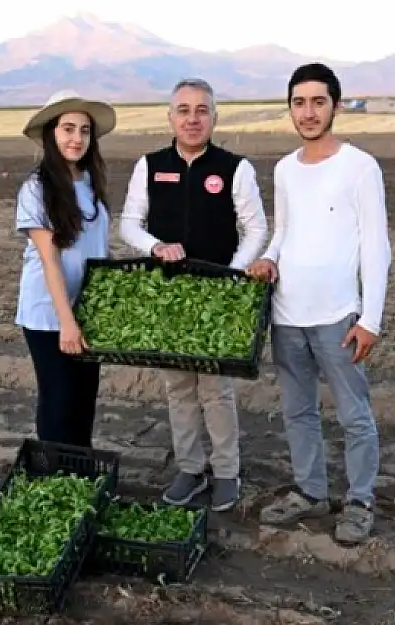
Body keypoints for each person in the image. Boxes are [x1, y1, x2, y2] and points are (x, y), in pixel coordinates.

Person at [246, 63, 392, 544]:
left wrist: (369, 319)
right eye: (298, 102)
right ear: (289, 107)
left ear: (336, 105)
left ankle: (360, 500)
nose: (307, 112)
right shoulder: (285, 169)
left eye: (317, 102)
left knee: (354, 415)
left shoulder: (360, 166)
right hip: (287, 317)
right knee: (299, 412)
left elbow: (376, 246)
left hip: (337, 318)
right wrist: (267, 258)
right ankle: (311, 493)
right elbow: (284, 229)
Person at [119, 78, 269, 512]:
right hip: (168, 298)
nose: (192, 118)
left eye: (201, 110)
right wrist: (154, 248)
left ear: (214, 118)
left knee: (216, 390)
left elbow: (256, 228)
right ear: (170, 118)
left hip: (217, 298)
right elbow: (130, 223)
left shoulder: (234, 168)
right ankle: (190, 467)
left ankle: (226, 472)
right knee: (178, 388)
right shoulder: (149, 166)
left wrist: (231, 275)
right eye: (183, 110)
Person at [14, 89, 117, 449]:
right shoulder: (37, 189)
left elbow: (97, 250)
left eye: (84, 131)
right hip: (49, 315)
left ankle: (80, 478)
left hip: (86, 310)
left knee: (83, 402)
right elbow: (49, 259)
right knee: (59, 403)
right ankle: (53, 480)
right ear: (51, 134)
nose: (77, 138)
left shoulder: (91, 184)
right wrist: (67, 323)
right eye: (68, 129)